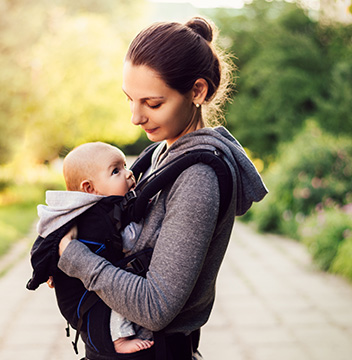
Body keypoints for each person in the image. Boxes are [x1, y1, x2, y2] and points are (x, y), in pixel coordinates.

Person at [57, 16, 268, 360]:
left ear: (197, 91)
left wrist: (76, 260)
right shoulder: (159, 153)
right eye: (130, 99)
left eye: (152, 104)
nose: (135, 118)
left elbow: (156, 307)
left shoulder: (198, 177)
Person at [37, 141, 154, 354]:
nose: (128, 174)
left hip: (86, 280)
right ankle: (119, 339)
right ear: (90, 188)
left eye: (125, 166)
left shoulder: (101, 208)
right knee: (115, 299)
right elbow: (130, 241)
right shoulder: (95, 218)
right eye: (116, 171)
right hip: (82, 297)